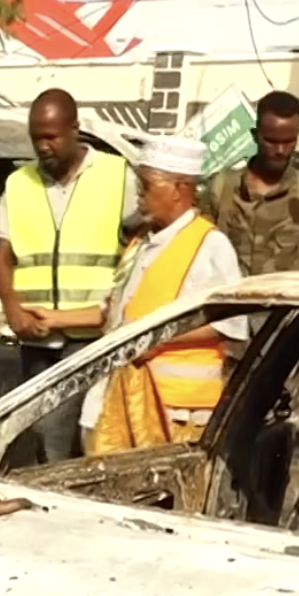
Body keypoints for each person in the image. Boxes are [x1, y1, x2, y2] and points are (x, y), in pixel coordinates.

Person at [66, 135, 243, 453]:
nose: (139, 196)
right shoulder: (140, 244)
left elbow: (229, 323)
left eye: (146, 186)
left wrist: (156, 339)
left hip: (173, 412)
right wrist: (51, 318)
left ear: (179, 188)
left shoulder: (210, 245)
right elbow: (115, 315)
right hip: (116, 399)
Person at [0, 88, 138, 464]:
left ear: (74, 129)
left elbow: (138, 252)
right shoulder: (19, 182)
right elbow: (2, 256)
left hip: (94, 337)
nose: (43, 145)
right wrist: (13, 310)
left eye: (51, 136)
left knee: (82, 435)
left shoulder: (117, 176)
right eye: (36, 136)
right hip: (36, 338)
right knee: (42, 434)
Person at [202, 90, 299, 276]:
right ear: (255, 135)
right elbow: (201, 258)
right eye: (271, 141)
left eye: (289, 141)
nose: (280, 150)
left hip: (287, 304)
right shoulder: (221, 189)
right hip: (229, 302)